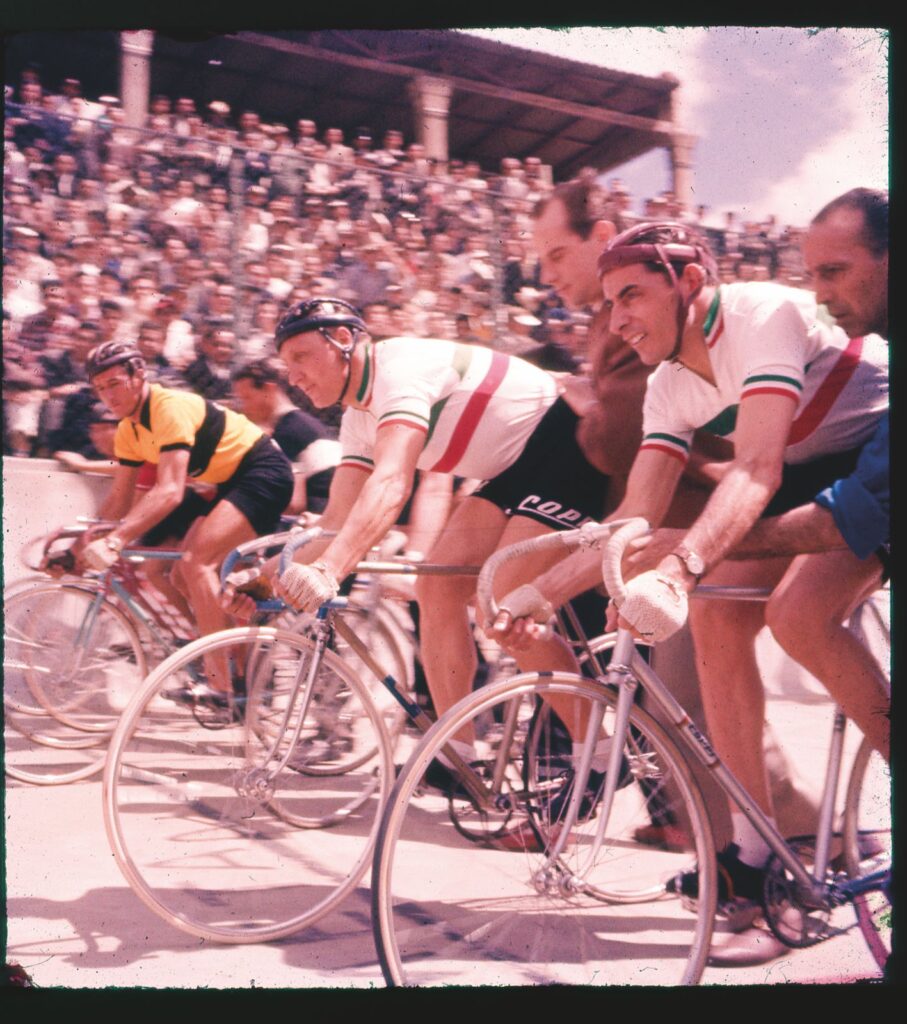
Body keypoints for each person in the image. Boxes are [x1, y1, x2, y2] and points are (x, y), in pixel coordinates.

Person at [494, 220, 887, 921]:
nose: (617, 320)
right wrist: (535, 595)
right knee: (712, 616)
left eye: (633, 296)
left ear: (691, 283)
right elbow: (630, 524)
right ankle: (756, 855)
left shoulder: (759, 312)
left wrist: (679, 566)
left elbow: (757, 468)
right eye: (610, 302)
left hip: (869, 460)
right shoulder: (670, 384)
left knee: (795, 612)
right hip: (800, 470)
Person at [227, 297, 615, 793]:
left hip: (568, 439)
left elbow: (392, 482)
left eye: (301, 357)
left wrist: (329, 571)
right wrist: (262, 587)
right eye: (286, 365)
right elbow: (335, 521)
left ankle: (603, 754)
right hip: (515, 469)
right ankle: (458, 753)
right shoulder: (358, 417)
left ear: (344, 340)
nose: (294, 376)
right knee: (438, 586)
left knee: (505, 601)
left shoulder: (399, 369)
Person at [72, 341, 294, 704]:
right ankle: (237, 669)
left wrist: (114, 540)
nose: (108, 395)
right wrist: (81, 542)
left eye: (114, 383)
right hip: (231, 481)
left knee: (196, 563)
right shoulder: (129, 430)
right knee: (179, 575)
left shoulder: (167, 407)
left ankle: (221, 684)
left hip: (263, 472)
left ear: (139, 374)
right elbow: (119, 499)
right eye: (100, 389)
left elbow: (171, 491)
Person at [231, 357, 340, 515]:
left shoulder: (287, 432)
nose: (244, 407)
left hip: (323, 512)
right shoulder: (299, 422)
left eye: (247, 398)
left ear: (269, 390)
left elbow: (294, 504)